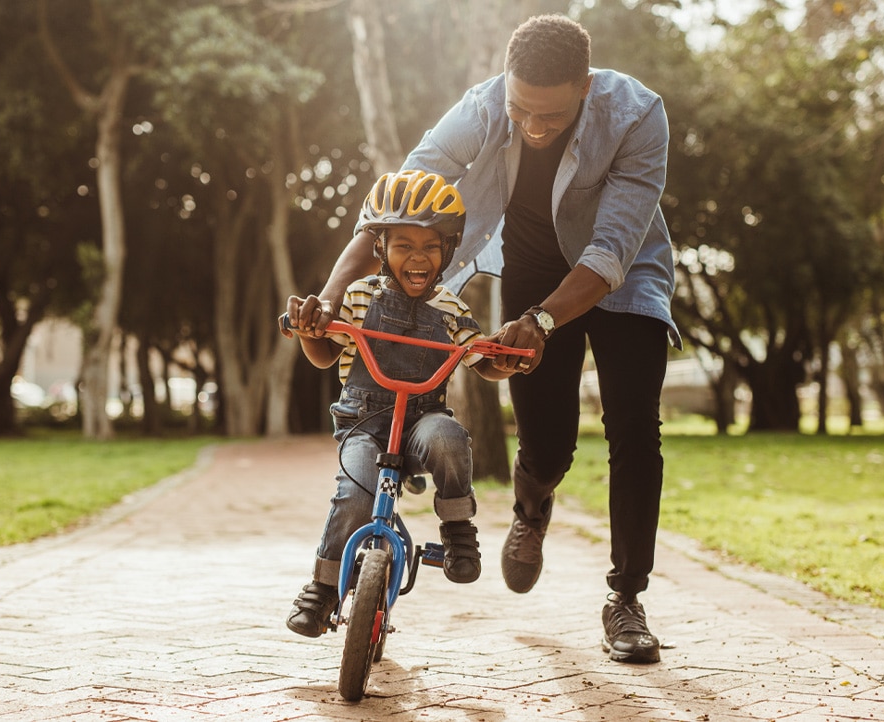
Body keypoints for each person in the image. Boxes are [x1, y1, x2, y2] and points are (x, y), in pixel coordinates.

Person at [304, 14, 680, 663]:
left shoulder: (638, 114)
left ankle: (626, 599)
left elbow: (612, 248)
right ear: (505, 86)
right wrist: (334, 288)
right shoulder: (482, 107)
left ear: (585, 87)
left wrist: (541, 323)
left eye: (551, 117)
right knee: (549, 443)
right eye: (521, 111)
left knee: (634, 427)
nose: (532, 127)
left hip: (622, 275)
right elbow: (402, 198)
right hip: (533, 270)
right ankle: (533, 504)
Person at [282, 170, 518, 638]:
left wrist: (505, 359)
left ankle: (456, 529)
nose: (417, 257)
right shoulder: (356, 296)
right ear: (380, 249)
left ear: (448, 251)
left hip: (422, 420)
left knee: (449, 439)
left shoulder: (452, 309)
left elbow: (480, 359)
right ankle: (323, 587)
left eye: (431, 247)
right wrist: (311, 332)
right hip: (364, 422)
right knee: (355, 494)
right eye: (403, 245)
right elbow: (326, 353)